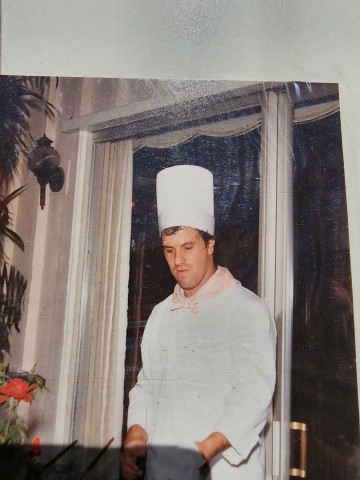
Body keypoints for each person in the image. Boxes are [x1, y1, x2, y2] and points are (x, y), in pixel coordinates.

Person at [120, 165, 276, 480]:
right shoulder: (162, 314)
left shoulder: (247, 309)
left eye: (188, 248)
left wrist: (206, 448)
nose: (178, 261)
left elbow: (254, 393)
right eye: (169, 250)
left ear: (210, 245)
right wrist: (136, 433)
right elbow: (148, 385)